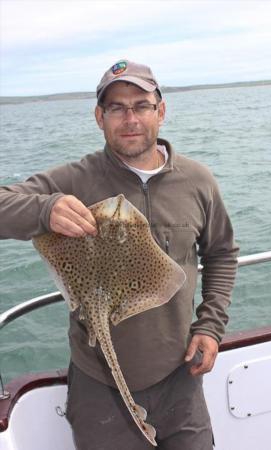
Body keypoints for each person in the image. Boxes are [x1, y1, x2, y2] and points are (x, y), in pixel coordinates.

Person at [0, 59, 239, 449]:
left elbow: (222, 254)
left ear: (161, 111)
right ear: (99, 117)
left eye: (141, 105)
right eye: (116, 107)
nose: (129, 118)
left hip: (180, 374)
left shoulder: (197, 181)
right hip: (100, 384)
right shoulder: (76, 178)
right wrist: (45, 209)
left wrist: (210, 325)